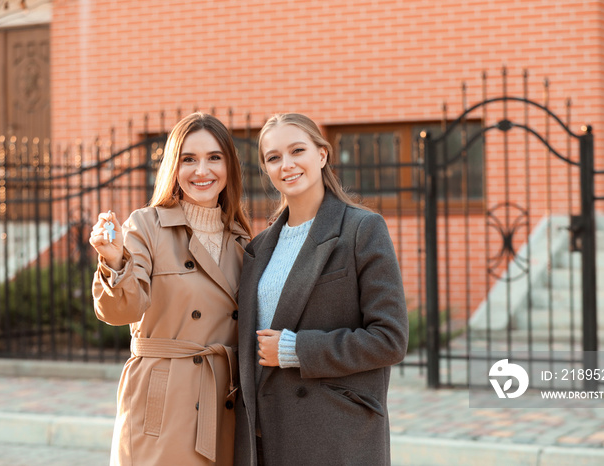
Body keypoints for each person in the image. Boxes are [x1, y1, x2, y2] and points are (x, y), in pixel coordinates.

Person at [234, 113, 409, 466]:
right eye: (274, 157)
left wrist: (296, 349)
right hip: (267, 434)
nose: (287, 165)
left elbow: (389, 339)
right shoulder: (258, 247)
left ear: (322, 155)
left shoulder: (362, 229)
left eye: (298, 150)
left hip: (334, 433)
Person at [90, 112, 252, 465]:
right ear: (173, 167)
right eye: (189, 159)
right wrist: (116, 262)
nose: (202, 171)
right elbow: (121, 312)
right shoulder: (147, 226)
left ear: (229, 166)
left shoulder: (242, 240)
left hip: (224, 401)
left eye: (214, 158)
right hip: (163, 402)